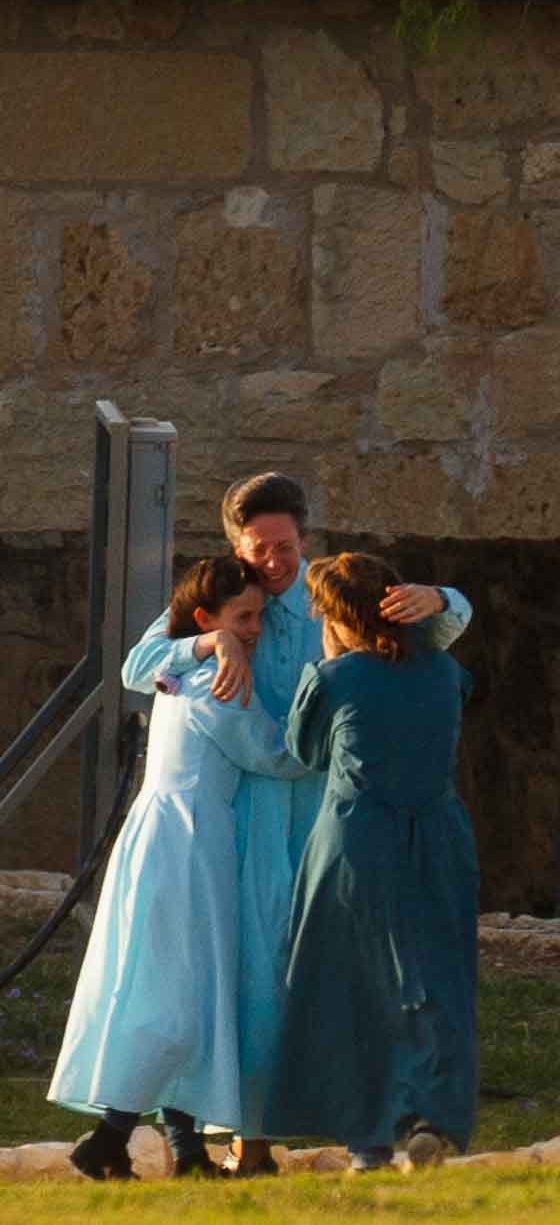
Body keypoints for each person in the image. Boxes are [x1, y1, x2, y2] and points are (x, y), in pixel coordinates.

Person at [120, 472, 472, 1175]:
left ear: (303, 539)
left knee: (316, 974)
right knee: (247, 972)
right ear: (235, 545)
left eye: (285, 546)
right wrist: (211, 641)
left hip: (324, 809)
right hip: (246, 814)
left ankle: (312, 1131)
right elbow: (137, 666)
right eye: (260, 549)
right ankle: (246, 1139)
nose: (274, 563)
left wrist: (443, 598)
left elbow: (437, 629)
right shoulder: (222, 596)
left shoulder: (333, 593)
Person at [50, 558, 306, 1179]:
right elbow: (277, 756)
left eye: (256, 618)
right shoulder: (214, 684)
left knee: (183, 988)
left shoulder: (180, 668)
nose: (251, 630)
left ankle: (183, 1150)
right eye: (240, 618)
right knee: (177, 994)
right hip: (188, 843)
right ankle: (108, 1140)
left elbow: (151, 664)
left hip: (175, 835)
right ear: (206, 620)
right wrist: (333, 715)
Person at [260, 553, 478, 1173]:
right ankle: (426, 1109)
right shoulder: (444, 673)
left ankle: (367, 1141)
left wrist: (322, 668)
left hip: (357, 839)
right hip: (438, 835)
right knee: (433, 977)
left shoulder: (339, 677)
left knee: (349, 983)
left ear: (334, 617)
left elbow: (304, 750)